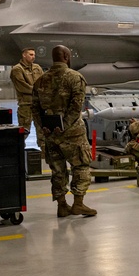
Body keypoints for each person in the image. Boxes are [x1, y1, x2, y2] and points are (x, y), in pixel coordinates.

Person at [32, 45, 96, 217]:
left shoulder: (41, 80)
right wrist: (64, 126)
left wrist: (45, 126)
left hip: (51, 135)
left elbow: (35, 109)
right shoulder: (75, 78)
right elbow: (76, 108)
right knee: (81, 166)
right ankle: (78, 204)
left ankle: (62, 205)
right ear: (67, 56)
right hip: (72, 134)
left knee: (58, 171)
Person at [10, 47, 44, 147]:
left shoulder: (37, 68)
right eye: (30, 54)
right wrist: (39, 91)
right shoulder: (17, 69)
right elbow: (23, 87)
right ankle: (18, 153)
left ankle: (43, 157)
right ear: (24, 55)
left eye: (34, 55)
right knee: (24, 131)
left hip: (39, 104)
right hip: (26, 105)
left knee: (42, 132)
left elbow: (44, 82)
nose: (33, 57)